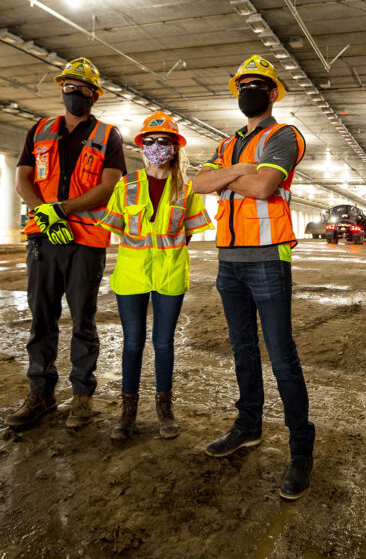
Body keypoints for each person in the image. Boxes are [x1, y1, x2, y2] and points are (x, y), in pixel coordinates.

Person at [191, 55, 315, 500]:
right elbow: (199, 183)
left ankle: (301, 451)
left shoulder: (285, 135)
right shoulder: (227, 144)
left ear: (272, 92)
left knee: (282, 357)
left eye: (258, 84)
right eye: (243, 84)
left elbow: (265, 188)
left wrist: (234, 178)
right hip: (229, 261)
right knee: (242, 350)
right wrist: (242, 170)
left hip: (267, 260)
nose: (249, 91)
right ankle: (248, 425)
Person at [6, 57, 126, 431]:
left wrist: (62, 210)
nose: (74, 92)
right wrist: (43, 212)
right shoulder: (39, 130)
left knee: (82, 322)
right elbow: (22, 179)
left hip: (85, 242)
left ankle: (82, 397)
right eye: (68, 86)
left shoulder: (108, 135)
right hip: (44, 240)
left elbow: (109, 186)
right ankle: (40, 394)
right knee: (41, 320)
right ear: (61, 90)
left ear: (95, 95)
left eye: (83, 88)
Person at [99, 112, 212, 441]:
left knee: (163, 343)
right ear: (141, 146)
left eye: (163, 141)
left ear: (175, 147)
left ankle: (164, 408)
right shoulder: (126, 184)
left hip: (170, 274)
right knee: (132, 343)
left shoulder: (187, 188)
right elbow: (116, 228)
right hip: (132, 275)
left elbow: (189, 232)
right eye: (148, 141)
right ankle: (128, 411)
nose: (155, 147)